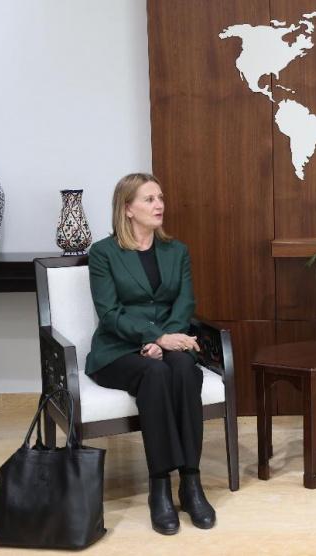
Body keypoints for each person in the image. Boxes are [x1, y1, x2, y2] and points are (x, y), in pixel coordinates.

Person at [85, 173, 215, 535]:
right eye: (149, 199)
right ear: (127, 209)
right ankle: (159, 486)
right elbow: (109, 313)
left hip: (168, 339)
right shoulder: (104, 253)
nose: (159, 205)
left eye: (160, 198)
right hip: (117, 348)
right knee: (155, 373)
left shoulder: (177, 251)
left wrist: (166, 339)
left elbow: (184, 302)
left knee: (185, 369)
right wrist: (156, 336)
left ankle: (191, 482)